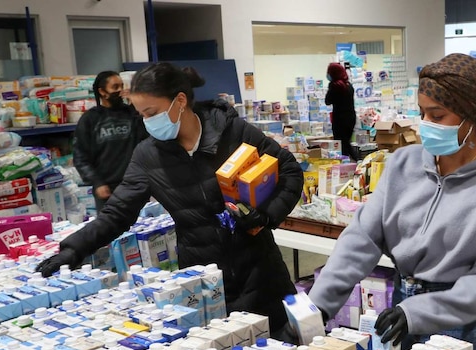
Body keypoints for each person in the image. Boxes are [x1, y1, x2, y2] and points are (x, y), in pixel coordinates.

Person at [309, 53, 476, 350]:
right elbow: (362, 236)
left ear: (472, 117)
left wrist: (418, 312)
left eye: (437, 116)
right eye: (422, 112)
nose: (425, 125)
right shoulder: (403, 164)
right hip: (398, 313)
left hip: (458, 324)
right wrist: (317, 306)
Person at [37, 63, 303, 333]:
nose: (147, 122)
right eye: (140, 115)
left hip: (260, 270)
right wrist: (73, 249)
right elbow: (117, 212)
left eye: (151, 113)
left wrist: (267, 215)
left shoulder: (233, 132)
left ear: (180, 101)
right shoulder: (147, 156)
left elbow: (290, 171)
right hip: (202, 281)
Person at [73, 70, 146, 213]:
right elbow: (80, 156)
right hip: (107, 189)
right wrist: (97, 182)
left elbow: (145, 140)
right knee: (111, 230)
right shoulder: (90, 119)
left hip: (135, 184)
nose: (120, 90)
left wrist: (135, 106)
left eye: (121, 86)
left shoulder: (131, 114)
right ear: (102, 92)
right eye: (115, 87)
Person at [325, 63, 358, 160]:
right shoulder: (349, 85)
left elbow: (328, 101)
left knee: (341, 144)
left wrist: (329, 89)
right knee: (346, 142)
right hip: (350, 118)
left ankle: (354, 162)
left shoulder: (335, 86)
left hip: (340, 119)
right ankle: (355, 162)